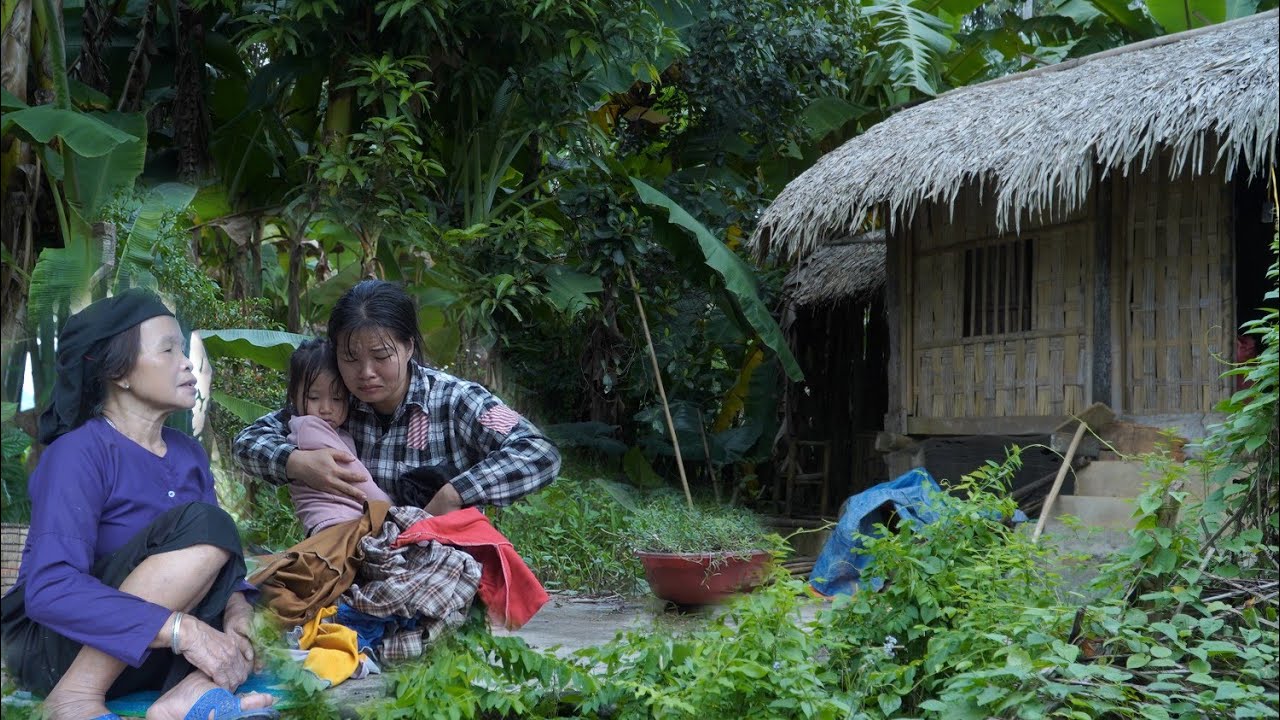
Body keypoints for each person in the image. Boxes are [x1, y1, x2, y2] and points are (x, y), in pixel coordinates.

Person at [0, 290, 277, 720]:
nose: (186, 362)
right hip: (58, 649)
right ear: (121, 373)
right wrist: (183, 630)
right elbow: (50, 591)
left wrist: (238, 611)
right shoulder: (78, 453)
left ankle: (182, 696)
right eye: (168, 350)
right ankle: (74, 698)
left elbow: (213, 564)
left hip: (148, 652)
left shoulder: (188, 453)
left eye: (183, 349)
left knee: (239, 622)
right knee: (208, 523)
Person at [234, 280, 560, 516]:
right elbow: (247, 442)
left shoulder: (458, 400)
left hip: (442, 565)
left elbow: (539, 451)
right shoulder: (335, 402)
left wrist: (456, 492)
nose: (365, 373)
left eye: (380, 356)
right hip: (360, 560)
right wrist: (296, 463)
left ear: (408, 347)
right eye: (350, 358)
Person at [282, 338, 392, 535]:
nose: (326, 409)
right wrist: (395, 511)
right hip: (336, 527)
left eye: (337, 398)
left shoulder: (338, 432)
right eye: (313, 398)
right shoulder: (309, 428)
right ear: (293, 396)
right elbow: (359, 481)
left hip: (343, 525)